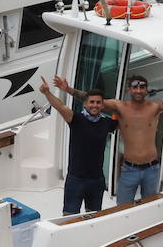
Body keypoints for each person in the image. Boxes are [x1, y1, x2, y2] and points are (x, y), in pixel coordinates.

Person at [52, 72, 163, 205]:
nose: (138, 90)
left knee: (150, 207)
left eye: (142, 87)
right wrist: (68, 90)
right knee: (122, 209)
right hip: (129, 170)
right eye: (135, 87)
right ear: (129, 90)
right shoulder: (119, 107)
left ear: (146, 90)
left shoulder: (156, 107)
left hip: (152, 170)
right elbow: (91, 99)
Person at [39, 77, 117, 215]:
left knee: (93, 217)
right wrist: (47, 93)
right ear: (85, 104)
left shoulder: (107, 123)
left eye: (98, 102)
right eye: (91, 102)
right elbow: (60, 106)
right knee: (69, 218)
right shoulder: (76, 119)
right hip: (76, 179)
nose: (95, 105)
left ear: (103, 105)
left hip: (97, 180)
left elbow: (126, 119)